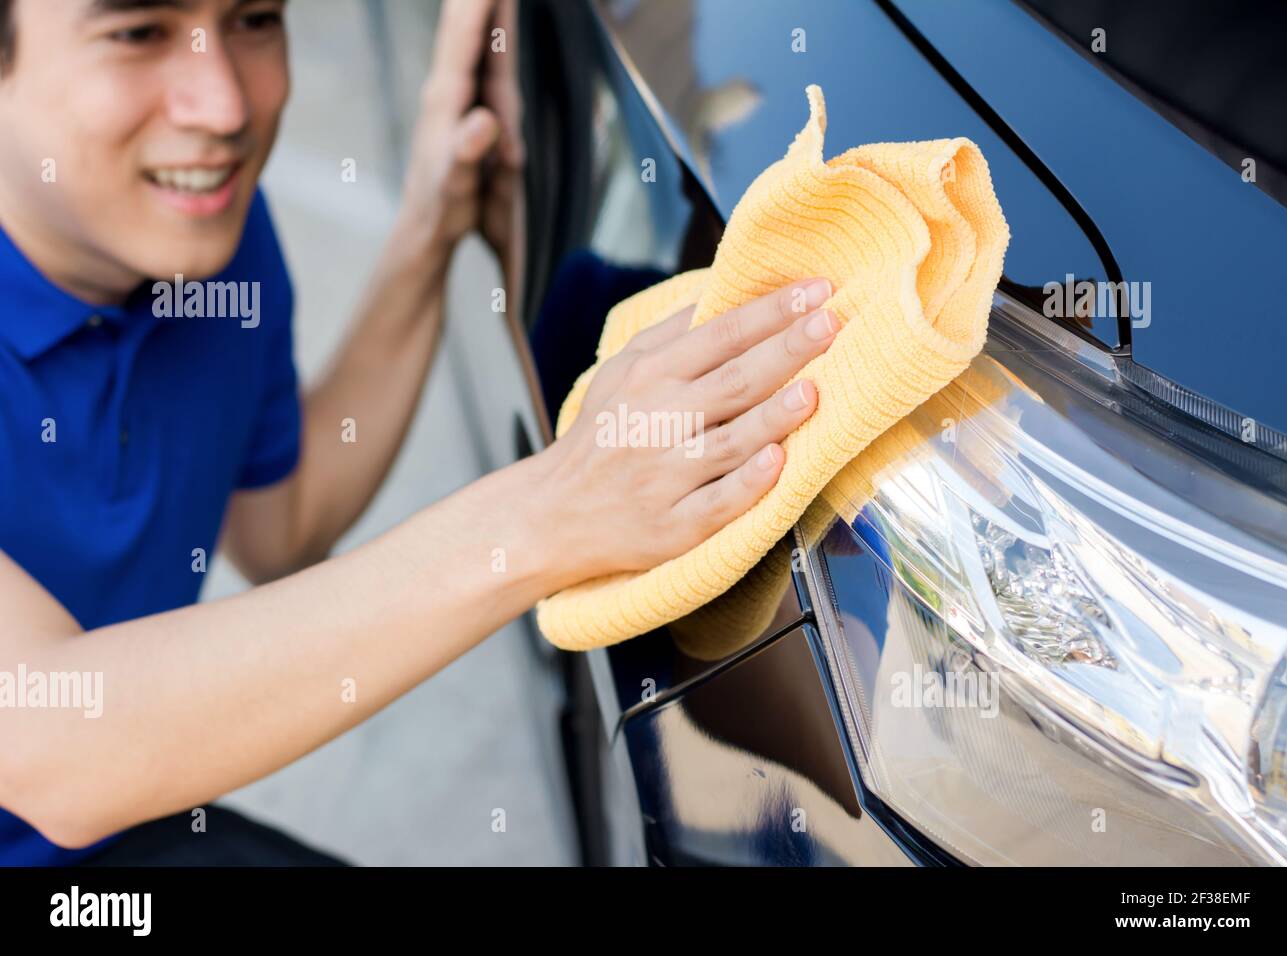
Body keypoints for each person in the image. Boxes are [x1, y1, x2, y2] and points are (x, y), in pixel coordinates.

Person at [0, 0, 840, 865]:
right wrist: (556, 509)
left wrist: (431, 230)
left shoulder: (207, 239)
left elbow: (282, 524)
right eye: (137, 33)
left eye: (253, 18)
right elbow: (61, 748)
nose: (224, 106)